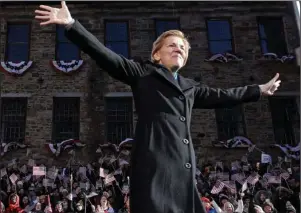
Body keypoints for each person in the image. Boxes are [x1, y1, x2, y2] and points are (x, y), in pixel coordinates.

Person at [35, 2, 281, 213]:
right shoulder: (143, 74)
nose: (179, 49)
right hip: (154, 163)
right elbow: (106, 56)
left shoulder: (190, 87)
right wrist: (71, 25)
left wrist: (258, 89)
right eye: (172, 45)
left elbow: (225, 96)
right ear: (156, 55)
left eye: (183, 48)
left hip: (183, 169)